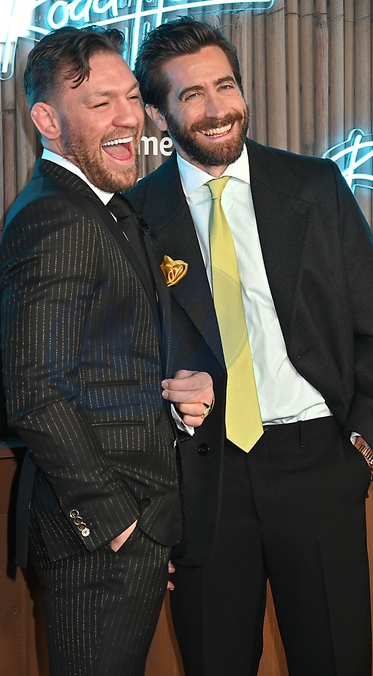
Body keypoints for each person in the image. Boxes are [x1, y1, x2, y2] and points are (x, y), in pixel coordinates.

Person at [127, 17, 373, 676]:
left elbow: (370, 324)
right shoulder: (135, 219)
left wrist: (361, 445)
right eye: (192, 95)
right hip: (203, 483)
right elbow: (119, 362)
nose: (217, 109)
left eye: (225, 86)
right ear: (157, 114)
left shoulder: (316, 187)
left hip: (317, 466)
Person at [0, 26, 213, 676]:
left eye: (131, 97)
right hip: (101, 538)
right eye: (100, 102)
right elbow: (36, 393)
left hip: (130, 529)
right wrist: (120, 525)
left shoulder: (102, 209)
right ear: (47, 121)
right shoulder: (55, 218)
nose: (129, 117)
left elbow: (114, 364)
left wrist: (183, 393)